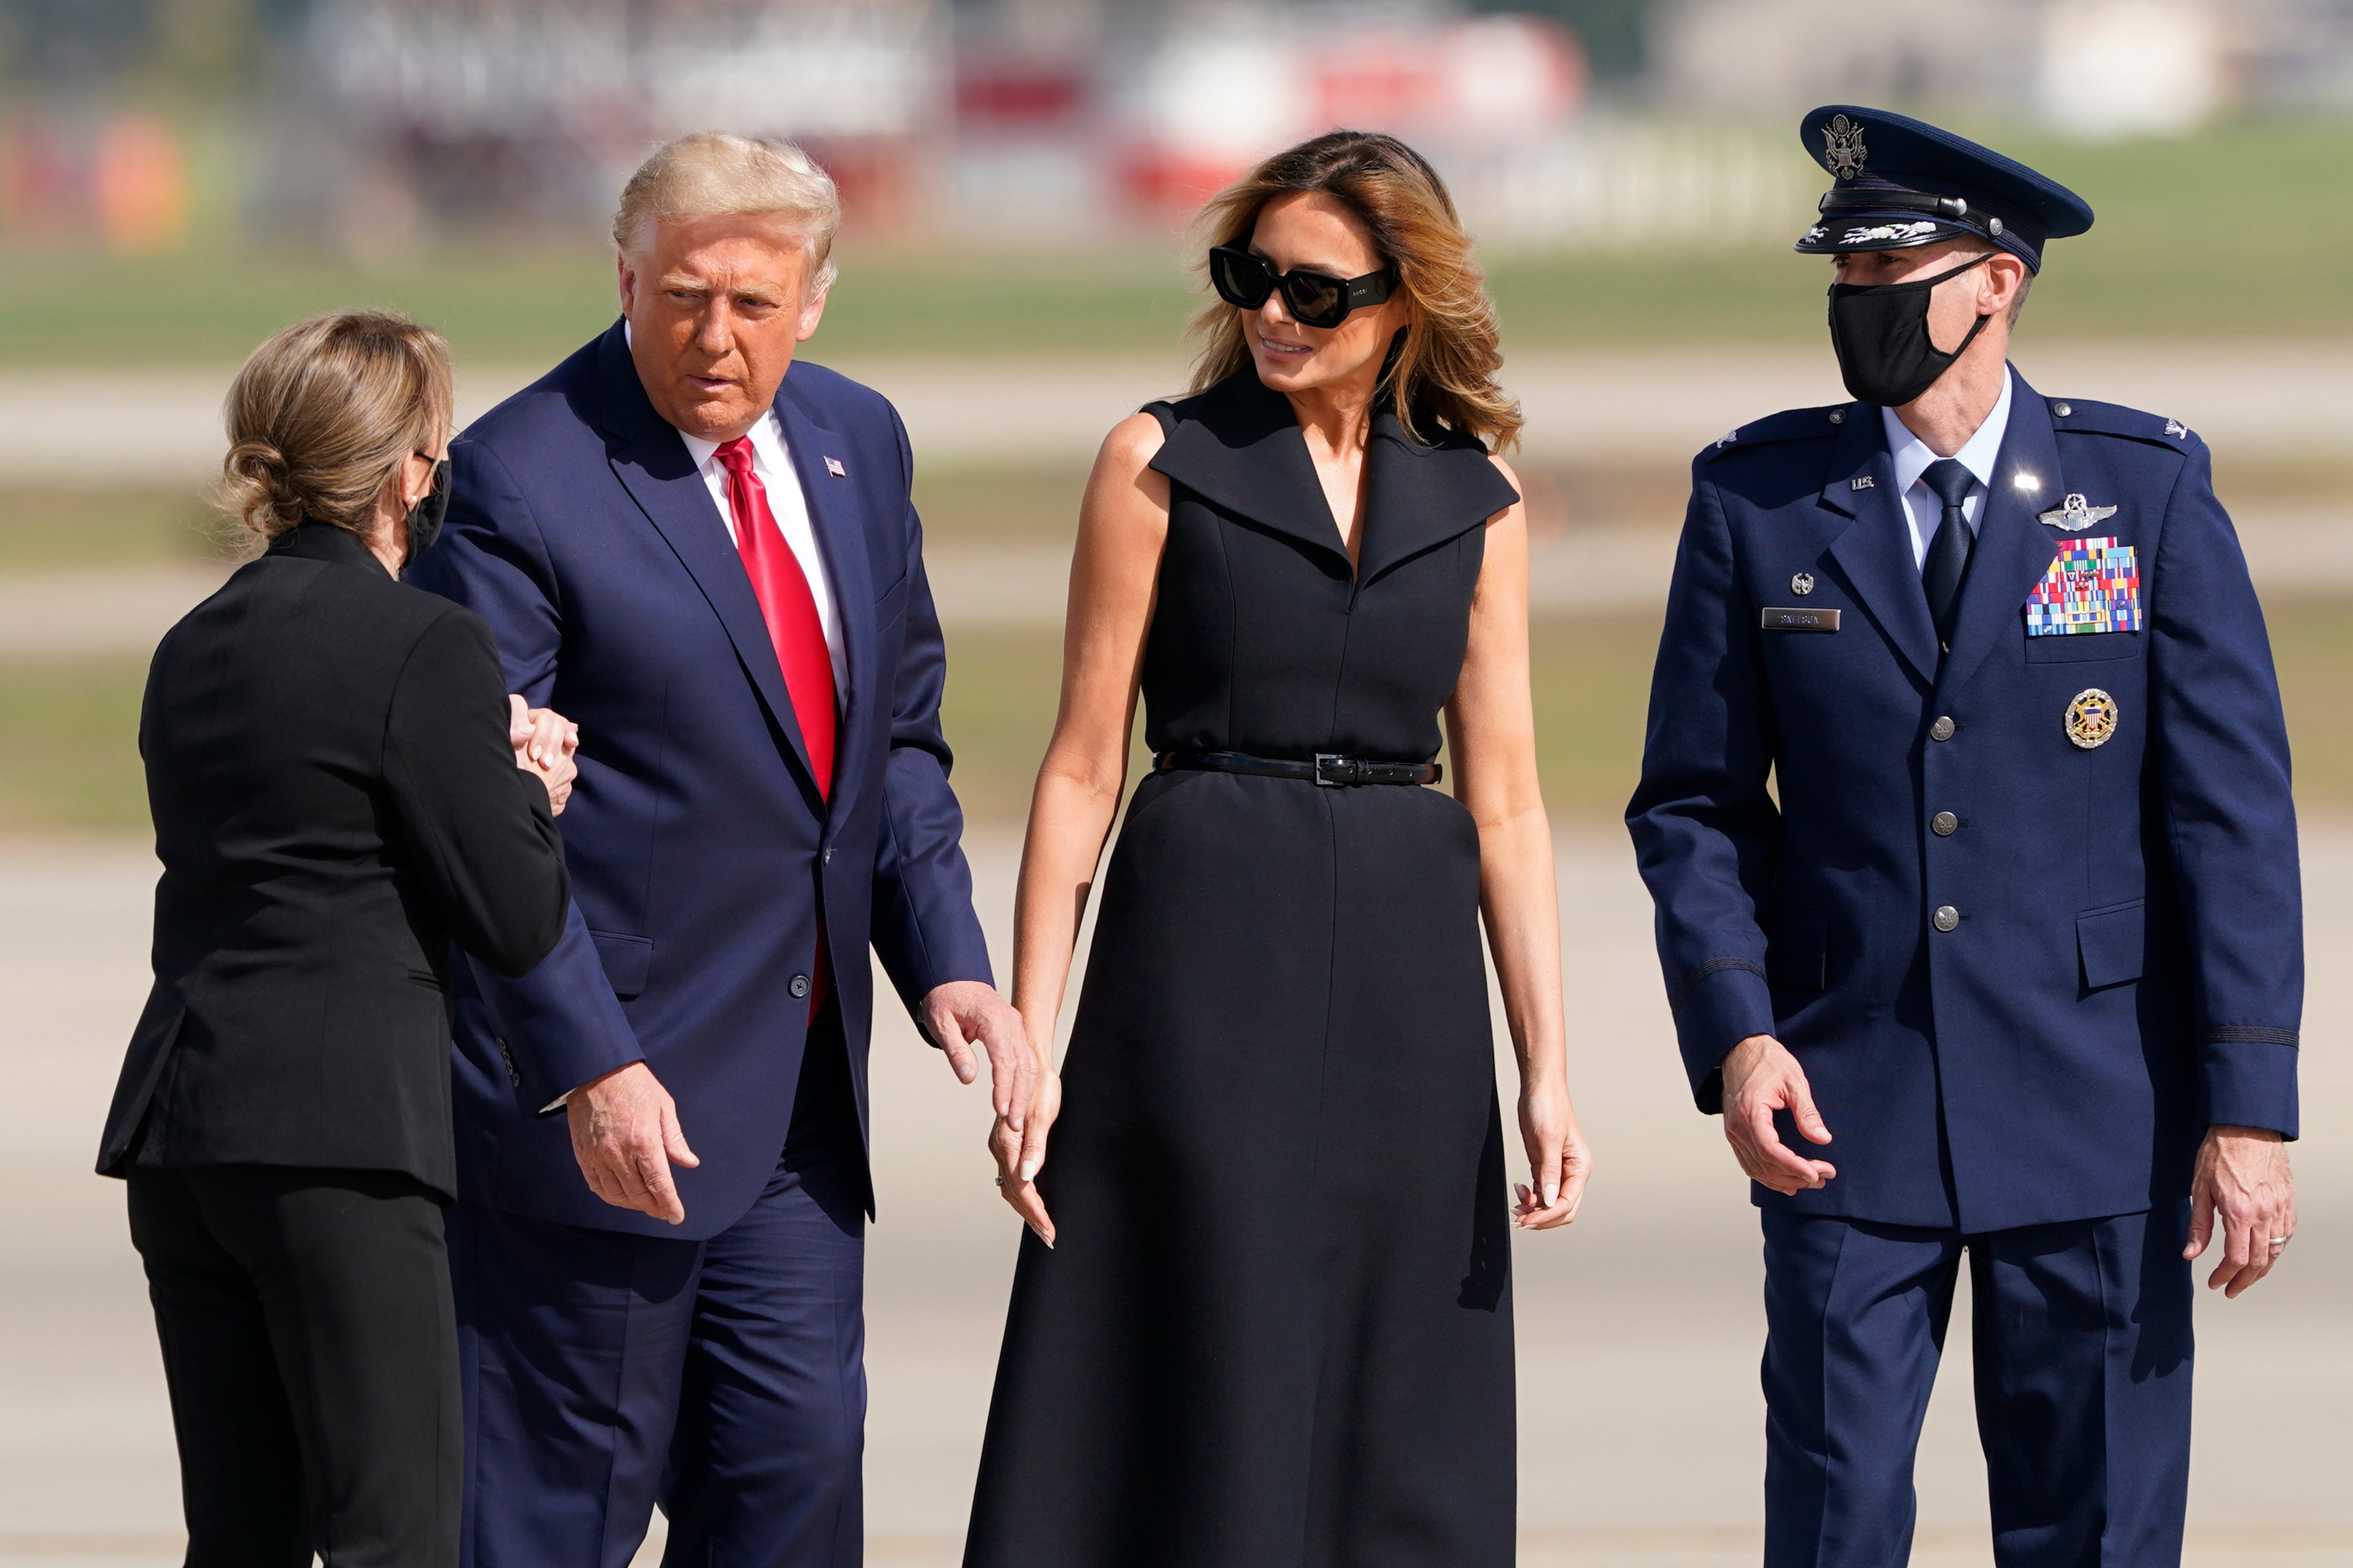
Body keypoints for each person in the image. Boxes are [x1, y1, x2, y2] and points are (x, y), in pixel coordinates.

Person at [1628, 106, 2301, 1568]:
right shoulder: (1758, 497)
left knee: (2099, 1524)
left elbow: (2231, 816)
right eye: (1843, 284)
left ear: (1996, 280)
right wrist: (1741, 1035)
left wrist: (2247, 1110)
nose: (1858, 311)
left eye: (1892, 279)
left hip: (2098, 1099)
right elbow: (1694, 804)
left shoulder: (2141, 492)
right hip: (1839, 1099)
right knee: (1833, 1520)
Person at [962, 130, 1593, 1568]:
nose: (1273, 314)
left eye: (1316, 292)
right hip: (1201, 933)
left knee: (1397, 1355)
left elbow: (1507, 797)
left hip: (1405, 966)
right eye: (1250, 277)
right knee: (1204, 1337)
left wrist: (1546, 1065)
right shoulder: (1158, 460)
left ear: (1402, 303)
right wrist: (1033, 1033)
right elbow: (1078, 763)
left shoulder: (1477, 499)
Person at [403, 132, 1028, 1568]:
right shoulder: (519, 477)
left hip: (798, 1108)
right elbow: (481, 821)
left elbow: (897, 747)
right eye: (683, 294)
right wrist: (587, 1062)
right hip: (597, 1103)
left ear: (815, 299)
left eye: (754, 302)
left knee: (795, 1490)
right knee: (551, 1522)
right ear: (624, 277)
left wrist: (947, 956)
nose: (715, 334)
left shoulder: (857, 441)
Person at [95, 309, 578, 1567]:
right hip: (339, 1134)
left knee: (243, 1534)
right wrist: (529, 787)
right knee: (395, 1531)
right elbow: (517, 914)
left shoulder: (190, 642)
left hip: (185, 1126)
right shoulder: (424, 642)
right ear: (418, 466)